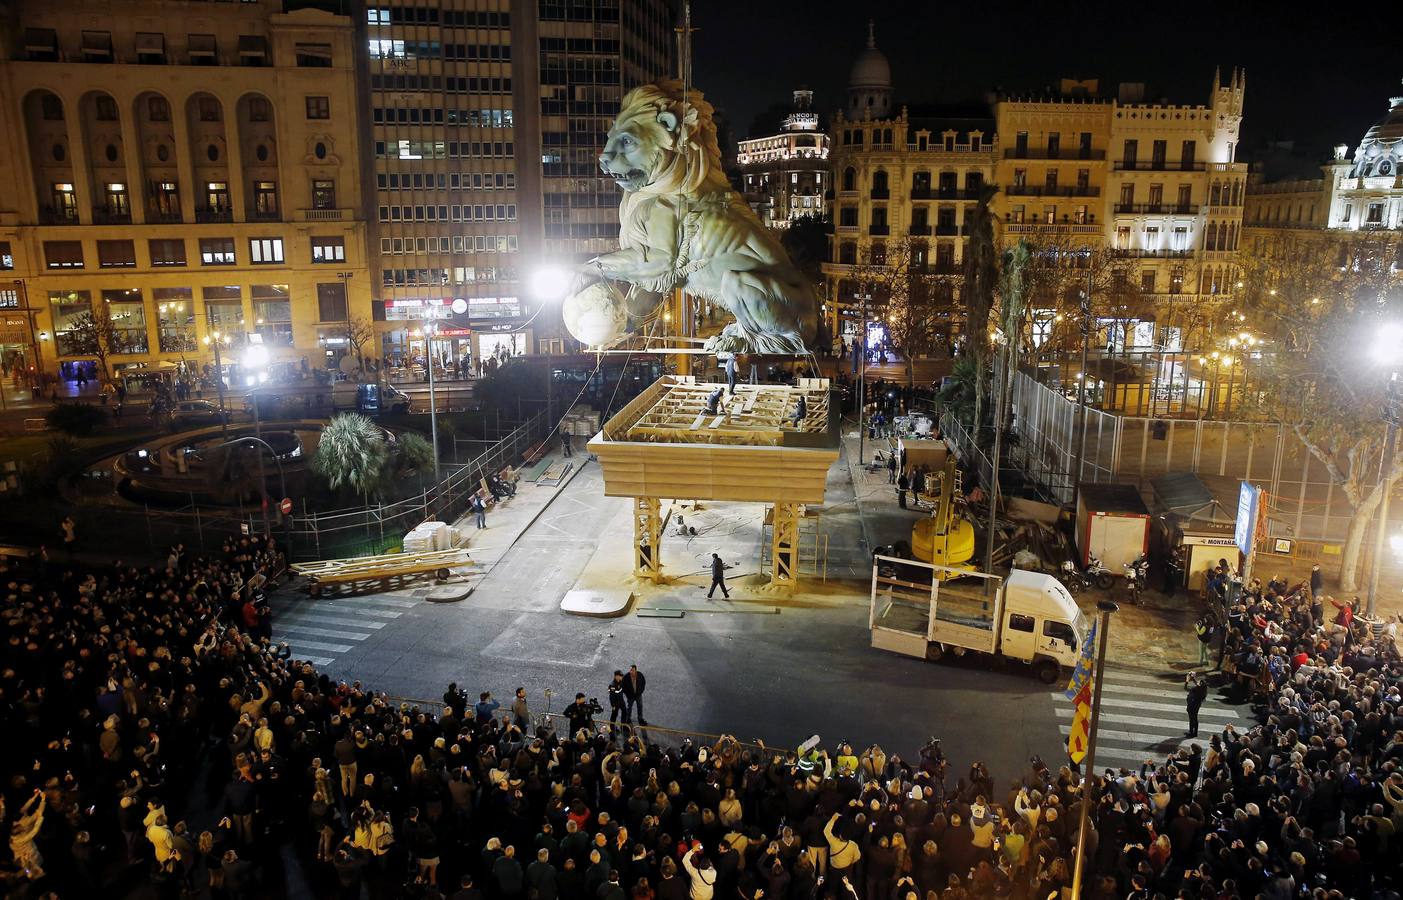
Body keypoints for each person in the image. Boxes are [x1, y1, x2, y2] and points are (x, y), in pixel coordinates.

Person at [1184, 671, 1208, 737]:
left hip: (1192, 705)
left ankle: (1191, 733)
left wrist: (1187, 680)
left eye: (1198, 682)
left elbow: (1186, 688)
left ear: (1199, 685)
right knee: (1195, 718)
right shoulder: (1203, 690)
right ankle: (1195, 733)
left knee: (1191, 719)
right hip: (1197, 705)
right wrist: (1193, 678)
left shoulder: (1195, 690)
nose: (1197, 682)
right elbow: (1198, 685)